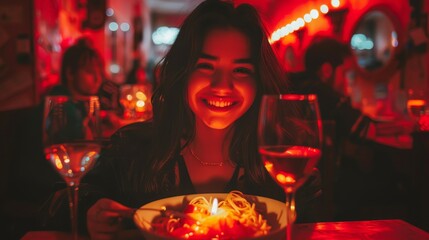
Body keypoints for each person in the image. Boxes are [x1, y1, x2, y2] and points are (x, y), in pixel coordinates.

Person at [43, 1, 322, 238]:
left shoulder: (284, 163)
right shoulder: (132, 148)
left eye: (240, 71)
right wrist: (89, 211)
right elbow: (53, 203)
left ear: (259, 81)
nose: (222, 85)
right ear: (183, 73)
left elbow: (317, 226)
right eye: (205, 67)